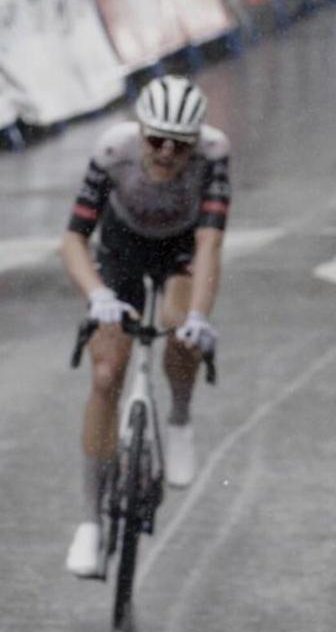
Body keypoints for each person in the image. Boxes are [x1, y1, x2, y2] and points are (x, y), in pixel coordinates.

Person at [61, 75, 230, 578]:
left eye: (180, 144)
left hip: (181, 248)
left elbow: (209, 245)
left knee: (181, 328)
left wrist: (199, 318)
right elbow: (73, 239)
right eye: (156, 140)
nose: (167, 154)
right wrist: (98, 296)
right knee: (105, 374)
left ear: (196, 141)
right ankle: (90, 523)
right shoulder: (112, 151)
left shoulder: (214, 153)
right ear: (139, 132)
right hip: (122, 249)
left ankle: (178, 418)